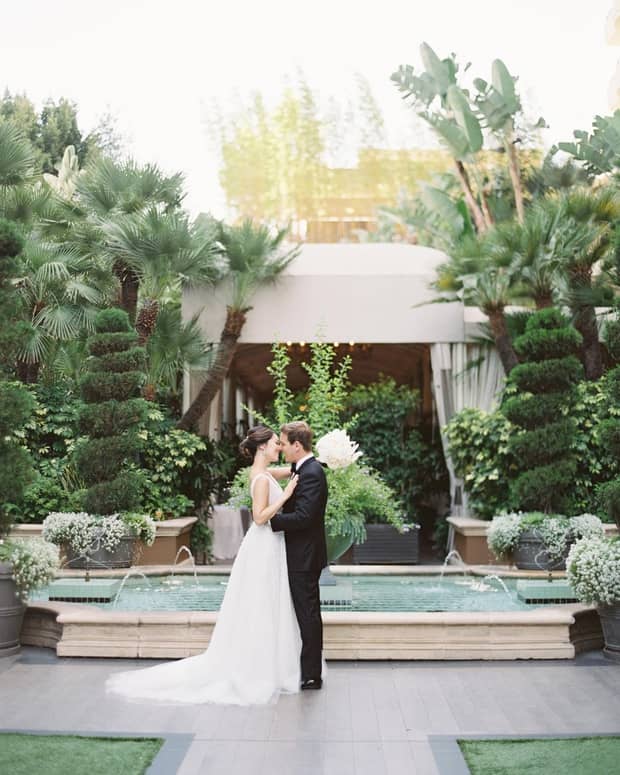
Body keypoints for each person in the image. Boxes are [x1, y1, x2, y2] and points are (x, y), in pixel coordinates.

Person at [106, 425, 301, 705]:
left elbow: (288, 472)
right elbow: (259, 518)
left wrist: (311, 464)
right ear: (261, 447)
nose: (278, 448)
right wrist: (285, 496)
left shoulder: (263, 473)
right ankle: (257, 667)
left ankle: (266, 662)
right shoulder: (260, 479)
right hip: (263, 545)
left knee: (263, 603)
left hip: (267, 546)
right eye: (274, 443)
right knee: (260, 603)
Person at [271, 421, 328, 690]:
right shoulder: (303, 468)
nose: (281, 448)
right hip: (301, 554)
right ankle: (307, 670)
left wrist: (271, 520)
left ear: (297, 445)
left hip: (304, 557)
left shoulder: (313, 473)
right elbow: (285, 471)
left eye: (283, 443)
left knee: (308, 615)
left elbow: (305, 517)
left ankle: (312, 675)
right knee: (304, 614)